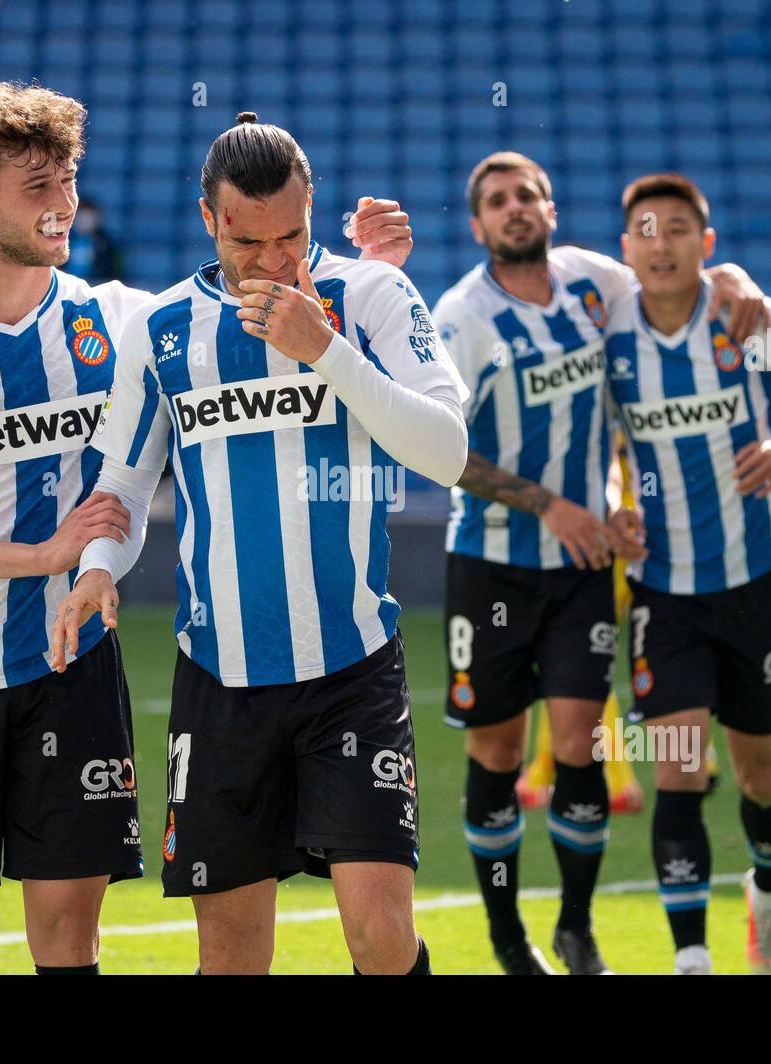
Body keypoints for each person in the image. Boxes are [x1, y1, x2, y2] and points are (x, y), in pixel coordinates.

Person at [0, 84, 411, 976]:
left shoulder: (120, 318)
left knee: (70, 935)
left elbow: (238, 299)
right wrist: (39, 558)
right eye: (36, 184)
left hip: (74, 672)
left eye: (67, 178)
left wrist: (361, 271)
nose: (63, 201)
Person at [50, 113, 467, 975]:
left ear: (313, 211)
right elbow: (123, 486)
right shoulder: (162, 331)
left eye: (294, 238)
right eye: (252, 242)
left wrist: (329, 352)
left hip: (352, 665)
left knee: (381, 938)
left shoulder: (372, 297)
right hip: (221, 678)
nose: (277, 262)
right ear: (210, 220)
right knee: (232, 952)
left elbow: (446, 452)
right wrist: (95, 570)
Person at [433, 151, 767, 974]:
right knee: (499, 755)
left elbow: (670, 277)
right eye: (498, 202)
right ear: (478, 226)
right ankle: (507, 939)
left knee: (580, 744)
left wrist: (731, 276)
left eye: (528, 197)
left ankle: (575, 928)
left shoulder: (592, 282)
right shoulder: (459, 319)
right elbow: (440, 451)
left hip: (582, 567)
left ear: (550, 210)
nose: (515, 209)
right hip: (492, 562)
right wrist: (550, 503)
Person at [604, 172, 771, 974]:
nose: (662, 243)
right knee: (678, 770)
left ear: (706, 245)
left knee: (758, 775)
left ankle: (769, 893)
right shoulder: (608, 338)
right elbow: (593, 445)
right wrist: (616, 502)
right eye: (647, 229)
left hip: (753, 582)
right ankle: (693, 960)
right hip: (664, 592)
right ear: (626, 250)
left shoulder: (741, 317)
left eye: (679, 229)